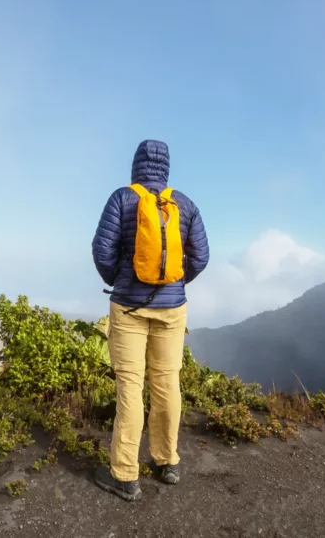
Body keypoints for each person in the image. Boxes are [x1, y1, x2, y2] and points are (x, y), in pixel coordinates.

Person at [90, 139, 210, 501]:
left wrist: (118, 281)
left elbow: (102, 249)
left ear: (136, 165)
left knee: (130, 387)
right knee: (166, 383)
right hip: (173, 311)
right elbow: (201, 256)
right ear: (167, 167)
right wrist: (175, 284)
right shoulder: (184, 204)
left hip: (128, 307)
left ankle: (126, 476)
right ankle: (168, 462)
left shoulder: (122, 199)